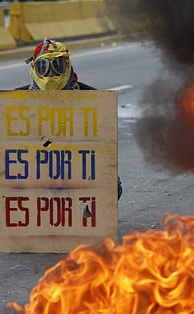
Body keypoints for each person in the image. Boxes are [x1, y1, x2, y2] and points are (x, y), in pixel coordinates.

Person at [16, 38, 123, 200]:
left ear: (68, 67)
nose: (51, 74)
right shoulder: (16, 99)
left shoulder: (92, 98)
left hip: (77, 164)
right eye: (43, 67)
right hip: (37, 165)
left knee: (111, 186)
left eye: (58, 66)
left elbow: (104, 147)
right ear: (34, 68)